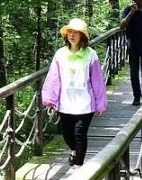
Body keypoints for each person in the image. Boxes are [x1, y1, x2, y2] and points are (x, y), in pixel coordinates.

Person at [42, 18, 108, 166]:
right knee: (67, 134)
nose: (71, 35)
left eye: (75, 32)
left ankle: (78, 166)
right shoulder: (60, 54)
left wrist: (100, 103)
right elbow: (54, 78)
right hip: (65, 102)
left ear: (82, 36)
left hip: (85, 103)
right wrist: (50, 100)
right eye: (69, 32)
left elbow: (97, 80)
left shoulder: (91, 55)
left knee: (79, 134)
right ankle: (74, 151)